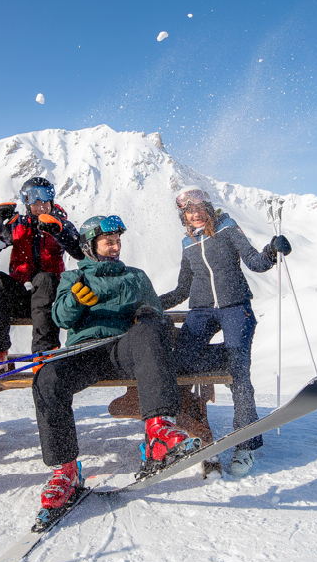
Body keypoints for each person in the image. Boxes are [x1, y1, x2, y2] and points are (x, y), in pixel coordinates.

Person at [30, 215, 199, 520]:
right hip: (86, 352)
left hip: (125, 350)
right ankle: (65, 468)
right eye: (108, 241)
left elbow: (154, 313)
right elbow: (61, 318)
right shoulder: (73, 278)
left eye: (118, 241)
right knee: (48, 377)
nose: (115, 246)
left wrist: (147, 314)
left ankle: (158, 432)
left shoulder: (135, 276)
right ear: (90, 246)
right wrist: (76, 301)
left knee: (150, 332)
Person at [158, 186, 292, 477]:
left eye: (198, 209)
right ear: (183, 216)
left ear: (207, 207)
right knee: (181, 362)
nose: (194, 215)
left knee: (239, 375)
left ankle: (246, 444)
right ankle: (229, 357)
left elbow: (256, 263)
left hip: (235, 307)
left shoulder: (228, 228)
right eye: (187, 211)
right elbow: (182, 290)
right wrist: (150, 303)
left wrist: (272, 251)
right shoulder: (187, 243)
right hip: (202, 310)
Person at [0, 176, 83, 356]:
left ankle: (44, 352)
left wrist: (58, 233)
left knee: (44, 278)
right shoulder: (17, 225)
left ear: (52, 200)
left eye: (45, 198)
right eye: (33, 198)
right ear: (26, 202)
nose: (40, 204)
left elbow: (80, 252)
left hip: (50, 298)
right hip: (20, 296)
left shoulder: (61, 225)